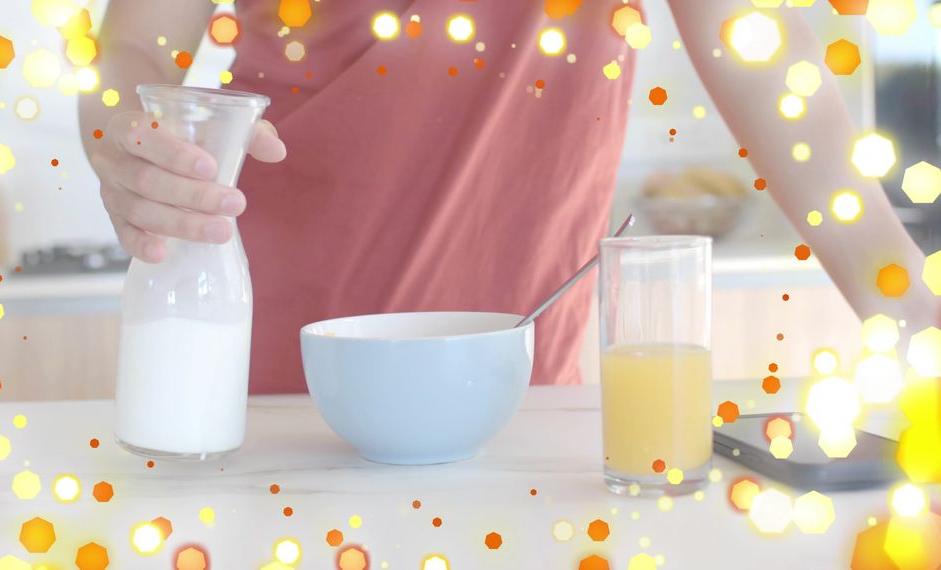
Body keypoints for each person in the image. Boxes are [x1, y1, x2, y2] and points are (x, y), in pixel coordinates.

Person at [80, 0, 938, 394]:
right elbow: (133, 45)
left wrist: (912, 315)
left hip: (520, 396)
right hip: (274, 386)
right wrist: (121, 132)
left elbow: (763, 53)